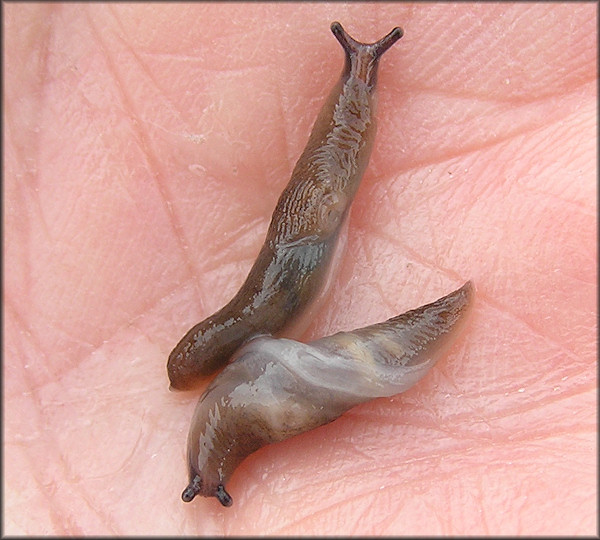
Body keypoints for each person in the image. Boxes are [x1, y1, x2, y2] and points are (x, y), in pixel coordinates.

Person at [3, 3, 596, 535]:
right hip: (269, 317)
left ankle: (359, 72)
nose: (197, 376)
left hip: (274, 309)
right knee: (312, 210)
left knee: (312, 209)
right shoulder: (238, 360)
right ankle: (360, 72)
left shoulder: (245, 354)